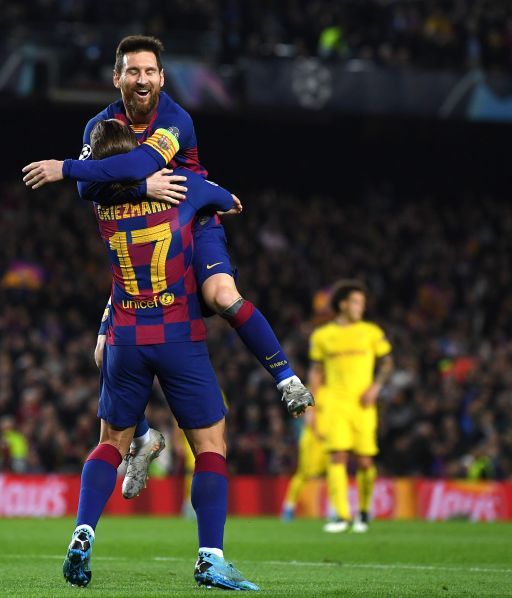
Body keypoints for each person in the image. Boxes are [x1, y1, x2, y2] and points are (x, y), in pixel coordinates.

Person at [22, 35, 312, 496]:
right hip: (143, 237)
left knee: (221, 296)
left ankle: (286, 377)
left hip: (192, 221)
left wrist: (66, 167)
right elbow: (89, 192)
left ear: (161, 78)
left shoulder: (175, 118)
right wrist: (141, 189)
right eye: (133, 71)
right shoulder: (99, 125)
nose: (142, 80)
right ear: (117, 77)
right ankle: (143, 438)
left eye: (150, 72)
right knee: (104, 353)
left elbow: (137, 163)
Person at [59, 119, 311, 590]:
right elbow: (227, 199)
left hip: (125, 334)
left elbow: (95, 179)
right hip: (176, 333)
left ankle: (83, 530)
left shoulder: (99, 202)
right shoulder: (181, 187)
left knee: (110, 444)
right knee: (210, 448)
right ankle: (210, 558)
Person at [309, 280, 393, 533]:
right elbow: (316, 372)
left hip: (363, 405)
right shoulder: (322, 336)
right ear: (343, 304)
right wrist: (311, 408)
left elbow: (387, 363)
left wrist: (376, 386)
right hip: (334, 403)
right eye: (357, 302)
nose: (361, 307)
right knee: (337, 456)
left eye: (362, 303)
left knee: (365, 460)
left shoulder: (371, 332)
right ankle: (342, 516)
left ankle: (364, 512)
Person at [280, 403, 328, 520]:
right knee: (304, 474)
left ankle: (335, 511)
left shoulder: (333, 391)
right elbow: (309, 417)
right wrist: (318, 432)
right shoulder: (313, 392)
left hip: (329, 438)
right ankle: (288, 508)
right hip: (313, 439)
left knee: (332, 472)